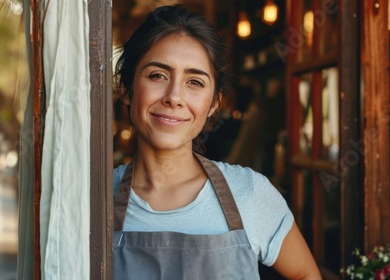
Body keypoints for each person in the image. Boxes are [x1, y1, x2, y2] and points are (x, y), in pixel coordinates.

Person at [113, 5, 321, 279]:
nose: (174, 96)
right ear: (127, 90)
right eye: (157, 75)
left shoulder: (249, 193)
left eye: (195, 82)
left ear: (213, 104)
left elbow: (306, 275)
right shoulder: (94, 199)